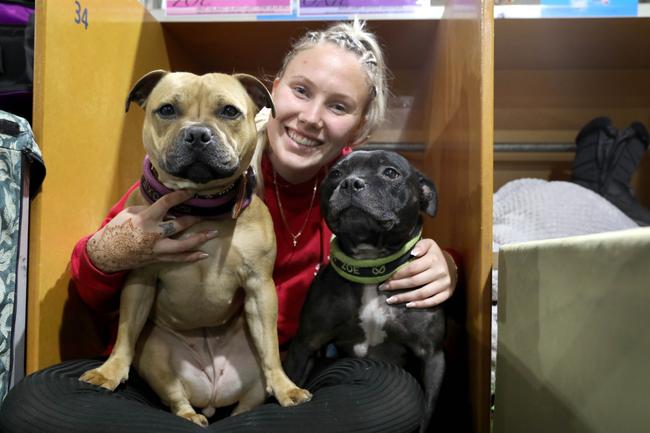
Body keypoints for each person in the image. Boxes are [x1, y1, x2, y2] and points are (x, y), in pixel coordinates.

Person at [0, 20, 458, 433]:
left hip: (281, 374)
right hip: (170, 363)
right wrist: (108, 254)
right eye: (301, 91)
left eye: (338, 106)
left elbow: (412, 235)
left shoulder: (354, 188)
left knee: (393, 398)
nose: (311, 117)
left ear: (359, 126)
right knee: (32, 405)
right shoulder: (184, 178)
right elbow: (89, 284)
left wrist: (447, 265)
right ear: (271, 93)